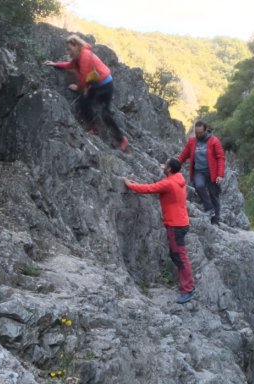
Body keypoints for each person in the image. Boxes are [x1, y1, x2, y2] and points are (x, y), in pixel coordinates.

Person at [123, 158, 195, 304]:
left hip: (175, 225)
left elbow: (149, 189)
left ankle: (188, 289)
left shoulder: (168, 183)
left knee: (180, 257)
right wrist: (135, 183)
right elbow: (155, 187)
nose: (163, 166)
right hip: (181, 223)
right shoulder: (179, 179)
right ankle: (187, 285)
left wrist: (130, 185)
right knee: (177, 255)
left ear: (169, 169)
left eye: (165, 164)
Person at [44, 34, 129, 152]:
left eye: (70, 49)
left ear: (76, 45)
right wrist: (54, 64)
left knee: (105, 113)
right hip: (95, 85)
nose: (69, 52)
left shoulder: (85, 55)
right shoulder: (78, 56)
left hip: (105, 85)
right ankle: (92, 128)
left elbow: (84, 78)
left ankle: (122, 139)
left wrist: (78, 87)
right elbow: (69, 65)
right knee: (83, 102)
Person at [178, 121, 225, 225]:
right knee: (199, 186)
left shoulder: (214, 141)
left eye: (200, 133)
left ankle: (215, 220)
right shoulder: (192, 141)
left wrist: (220, 175)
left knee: (214, 195)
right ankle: (209, 208)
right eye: (196, 132)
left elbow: (220, 158)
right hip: (199, 171)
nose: (198, 135)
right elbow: (183, 155)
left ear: (205, 130)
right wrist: (173, 165)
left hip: (212, 172)